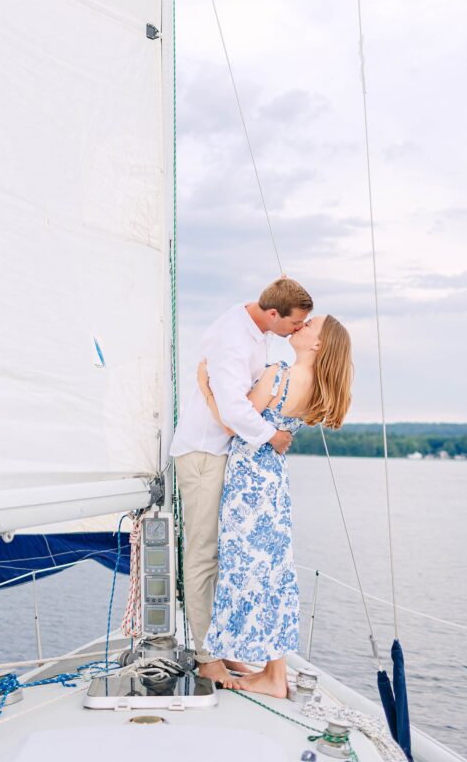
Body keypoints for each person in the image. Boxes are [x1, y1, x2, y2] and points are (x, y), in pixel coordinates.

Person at [170, 277, 314, 687]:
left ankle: (221, 646)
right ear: (273, 314)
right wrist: (274, 436)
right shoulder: (235, 338)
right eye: (296, 323)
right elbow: (234, 408)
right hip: (204, 452)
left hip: (224, 452)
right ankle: (206, 656)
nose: (298, 330)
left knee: (224, 553)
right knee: (203, 553)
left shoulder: (256, 328)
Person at [201, 314, 352, 698]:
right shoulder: (316, 388)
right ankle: (273, 672)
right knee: (274, 571)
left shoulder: (278, 375)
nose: (300, 326)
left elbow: (234, 425)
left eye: (309, 326)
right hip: (274, 483)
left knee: (246, 567)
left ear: (317, 345)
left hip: (249, 483)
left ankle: (259, 669)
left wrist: (206, 391)